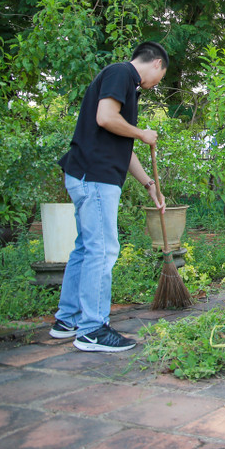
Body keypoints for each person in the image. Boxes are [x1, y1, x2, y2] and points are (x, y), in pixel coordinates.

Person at [49, 42, 168, 352]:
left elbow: (121, 146)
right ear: (157, 63)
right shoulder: (121, 73)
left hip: (86, 174)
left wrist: (148, 184)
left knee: (86, 248)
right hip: (95, 177)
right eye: (162, 76)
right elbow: (105, 117)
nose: (158, 83)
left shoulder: (124, 84)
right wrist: (142, 133)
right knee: (102, 249)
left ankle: (67, 319)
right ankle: (92, 330)